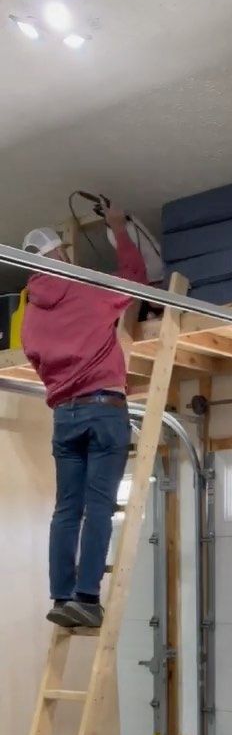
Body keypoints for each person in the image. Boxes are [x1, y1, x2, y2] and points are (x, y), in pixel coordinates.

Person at [21, 207, 148, 629]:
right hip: (103, 409)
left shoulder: (31, 314)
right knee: (98, 508)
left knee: (66, 510)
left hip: (64, 415)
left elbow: (36, 359)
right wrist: (117, 228)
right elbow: (133, 278)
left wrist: (62, 386)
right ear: (59, 257)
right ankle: (88, 598)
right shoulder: (85, 289)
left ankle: (62, 597)